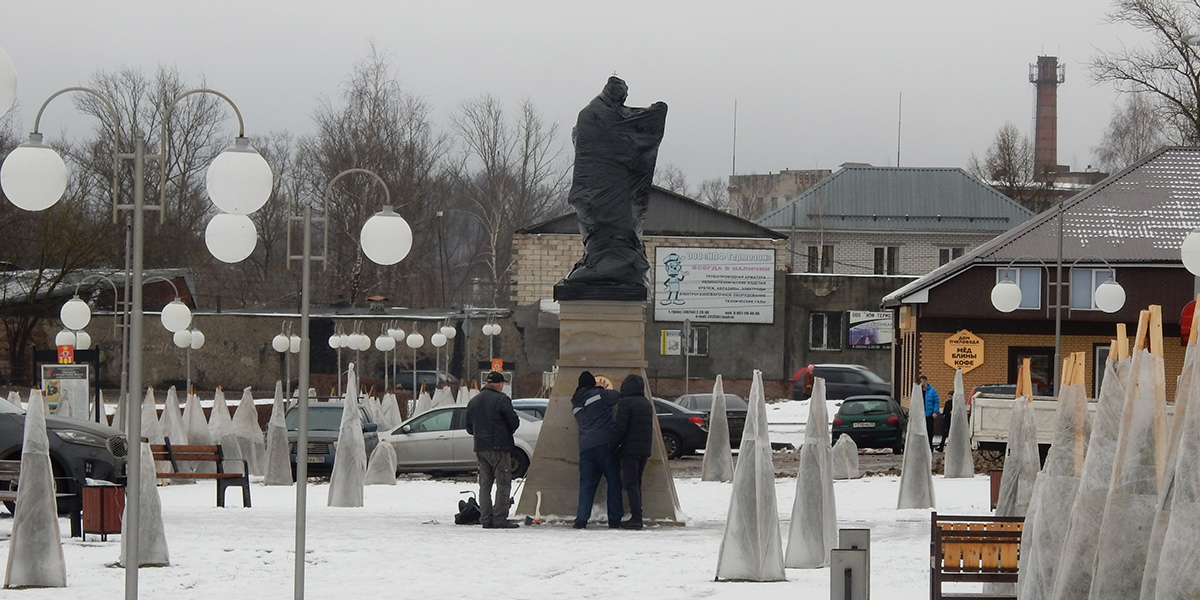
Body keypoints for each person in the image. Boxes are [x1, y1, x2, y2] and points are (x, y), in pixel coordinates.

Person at [464, 371, 521, 529]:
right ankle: (499, 519)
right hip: (499, 448)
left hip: (480, 448)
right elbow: (514, 422)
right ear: (500, 384)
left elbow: (468, 427)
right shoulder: (502, 399)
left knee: (485, 485)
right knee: (503, 483)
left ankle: (485, 518)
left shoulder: (473, 401)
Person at [571, 371, 623, 529]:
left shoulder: (575, 403)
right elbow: (616, 396)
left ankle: (581, 519)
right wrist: (601, 388)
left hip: (585, 447)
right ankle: (614, 519)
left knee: (586, 485)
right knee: (613, 481)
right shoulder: (599, 394)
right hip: (604, 444)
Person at [609, 374, 654, 530]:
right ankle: (637, 515)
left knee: (630, 483)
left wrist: (612, 446)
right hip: (644, 449)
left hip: (630, 450)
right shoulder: (646, 403)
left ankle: (636, 518)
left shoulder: (626, 403)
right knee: (637, 482)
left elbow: (620, 428)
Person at [919, 375, 939, 451]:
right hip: (920, 415)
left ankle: (929, 446)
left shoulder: (932, 391)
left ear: (925, 381)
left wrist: (935, 412)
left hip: (929, 414)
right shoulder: (918, 391)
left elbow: (936, 402)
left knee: (929, 431)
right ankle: (922, 446)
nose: (921, 383)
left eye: (922, 381)